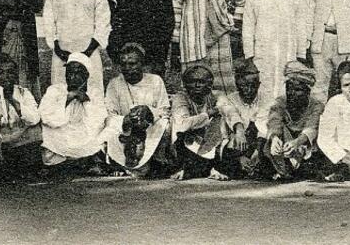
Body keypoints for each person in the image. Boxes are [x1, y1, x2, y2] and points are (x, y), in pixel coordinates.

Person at [43, 0, 110, 96]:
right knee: (61, 94)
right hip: (62, 52)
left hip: (89, 51)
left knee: (92, 94)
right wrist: (57, 48)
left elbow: (103, 21)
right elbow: (48, 20)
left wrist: (87, 51)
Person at [243, 0, 310, 101]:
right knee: (263, 89)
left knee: (286, 87)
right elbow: (247, 30)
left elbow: (301, 28)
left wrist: (301, 55)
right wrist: (249, 58)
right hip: (262, 54)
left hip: (288, 53)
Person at [103, 42, 170, 176]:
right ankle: (118, 165)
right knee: (108, 130)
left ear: (142, 64)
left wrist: (149, 111)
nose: (127, 68)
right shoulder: (114, 84)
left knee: (165, 125)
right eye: (123, 64)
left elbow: (165, 110)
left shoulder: (155, 81)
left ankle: (157, 162)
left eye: (132, 64)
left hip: (149, 129)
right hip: (125, 131)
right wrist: (126, 120)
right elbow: (110, 115)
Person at [39, 53, 108, 170]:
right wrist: (67, 99)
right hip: (61, 133)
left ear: (86, 75)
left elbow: (98, 121)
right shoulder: (55, 90)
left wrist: (86, 101)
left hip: (84, 134)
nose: (72, 77)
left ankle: (83, 160)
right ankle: (78, 162)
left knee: (99, 136)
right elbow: (46, 117)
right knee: (49, 136)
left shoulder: (95, 93)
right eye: (69, 72)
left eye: (77, 73)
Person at [264, 61, 325, 181]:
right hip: (286, 145)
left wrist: (297, 142)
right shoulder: (280, 101)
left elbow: (312, 127)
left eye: (297, 90)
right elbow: (274, 120)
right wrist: (275, 138)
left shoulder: (317, 106)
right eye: (289, 89)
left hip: (306, 145)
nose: (292, 93)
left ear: (307, 91)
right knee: (264, 139)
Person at [216, 59, 276, 179]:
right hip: (235, 147)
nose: (248, 90)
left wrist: (257, 153)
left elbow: (263, 125)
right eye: (243, 85)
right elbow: (231, 114)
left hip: (259, 144)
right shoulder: (228, 99)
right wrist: (239, 131)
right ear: (236, 84)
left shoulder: (267, 100)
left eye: (253, 86)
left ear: (259, 84)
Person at [170, 64, 231, 180]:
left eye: (201, 82)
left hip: (209, 140)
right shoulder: (180, 97)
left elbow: (229, 111)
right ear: (185, 84)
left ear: (209, 84)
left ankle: (214, 167)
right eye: (192, 82)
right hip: (187, 142)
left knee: (221, 120)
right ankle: (183, 167)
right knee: (177, 128)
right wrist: (207, 115)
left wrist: (239, 130)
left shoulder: (217, 95)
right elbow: (182, 124)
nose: (197, 85)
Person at [0, 54, 42, 178]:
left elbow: (34, 119)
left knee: (36, 130)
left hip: (18, 140)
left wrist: (12, 100)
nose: (6, 76)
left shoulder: (24, 93)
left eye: (10, 72)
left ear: (15, 76)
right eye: (1, 72)